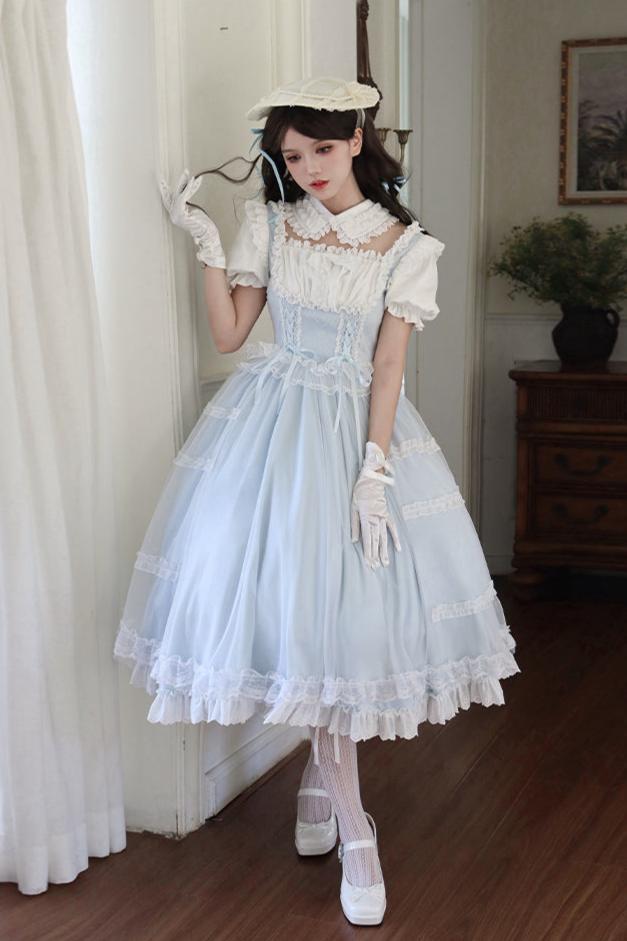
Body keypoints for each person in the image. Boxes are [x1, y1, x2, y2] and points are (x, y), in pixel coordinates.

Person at [113, 76, 521, 927]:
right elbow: (230, 333)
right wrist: (206, 244)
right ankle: (354, 827)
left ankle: (331, 795)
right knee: (300, 619)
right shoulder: (268, 223)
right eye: (292, 156)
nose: (307, 170)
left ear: (357, 142)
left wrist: (374, 469)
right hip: (266, 433)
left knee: (341, 624)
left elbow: (387, 366)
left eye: (322, 150)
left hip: (351, 434)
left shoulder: (407, 245)